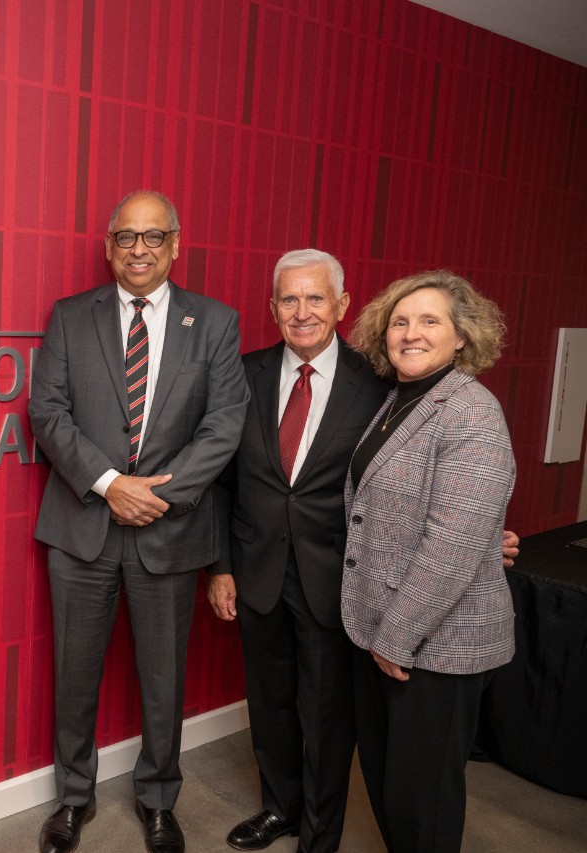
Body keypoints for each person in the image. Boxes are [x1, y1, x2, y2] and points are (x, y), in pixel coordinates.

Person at [29, 190, 249, 853]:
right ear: (108, 247)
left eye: (154, 237)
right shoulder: (71, 317)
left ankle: (158, 798)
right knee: (74, 672)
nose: (140, 250)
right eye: (127, 237)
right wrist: (109, 484)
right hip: (82, 528)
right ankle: (73, 797)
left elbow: (225, 421)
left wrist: (158, 494)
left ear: (176, 245)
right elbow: (47, 411)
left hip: (169, 529)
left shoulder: (214, 322)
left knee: (163, 677)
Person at [207, 250, 389, 852]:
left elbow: (405, 481)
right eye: (289, 300)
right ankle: (279, 809)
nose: (302, 311)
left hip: (334, 576)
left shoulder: (378, 386)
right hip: (256, 570)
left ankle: (319, 832)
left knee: (328, 715)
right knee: (270, 703)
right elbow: (221, 480)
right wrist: (222, 567)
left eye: (315, 299)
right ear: (273, 309)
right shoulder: (242, 373)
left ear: (341, 305)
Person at [343, 271, 516, 853]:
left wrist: (396, 636)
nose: (410, 333)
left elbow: (453, 544)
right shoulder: (399, 398)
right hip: (379, 627)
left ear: (461, 336)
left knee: (424, 802)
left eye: (429, 321)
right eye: (399, 322)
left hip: (436, 644)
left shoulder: (470, 412)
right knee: (392, 788)